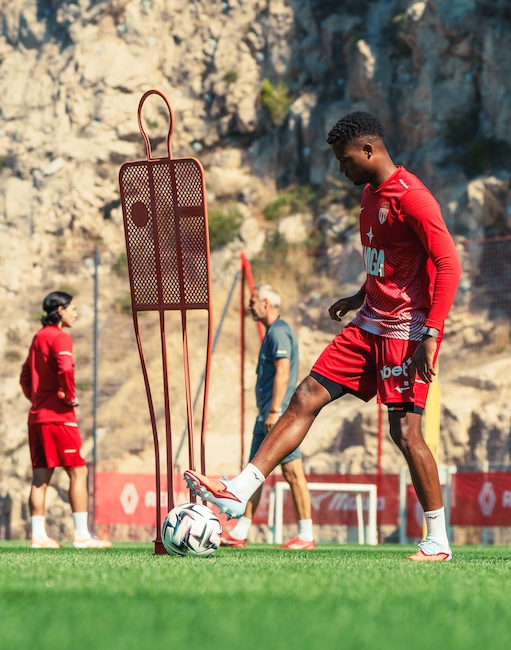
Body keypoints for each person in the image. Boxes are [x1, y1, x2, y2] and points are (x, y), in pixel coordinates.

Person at [185, 111, 462, 561]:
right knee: (307, 395)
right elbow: (391, 263)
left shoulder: (415, 199)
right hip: (369, 321)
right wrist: (358, 296)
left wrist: (432, 331)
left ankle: (438, 540)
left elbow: (449, 264)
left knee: (407, 433)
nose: (341, 169)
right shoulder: (370, 196)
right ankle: (238, 490)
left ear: (369, 151)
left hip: (407, 331)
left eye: (345, 159)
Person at [222, 284, 316, 550]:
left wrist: (275, 411)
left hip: (279, 416)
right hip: (267, 415)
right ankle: (240, 532)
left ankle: (306, 536)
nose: (249, 306)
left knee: (292, 472)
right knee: (253, 471)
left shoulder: (280, 331)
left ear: (266, 303)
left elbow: (283, 370)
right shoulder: (271, 333)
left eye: (252, 301)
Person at [20, 292, 110, 549]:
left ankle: (38, 537)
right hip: (59, 417)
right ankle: (81, 535)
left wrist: (37, 399)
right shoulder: (61, 337)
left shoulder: (38, 338)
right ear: (59, 310)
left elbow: (25, 376)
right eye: (72, 308)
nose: (75, 313)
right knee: (78, 471)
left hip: (37, 417)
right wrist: (68, 397)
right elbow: (66, 368)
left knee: (40, 478)